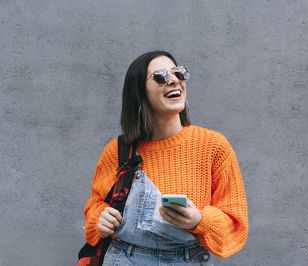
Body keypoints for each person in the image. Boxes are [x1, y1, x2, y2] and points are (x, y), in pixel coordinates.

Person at [83, 51, 248, 265]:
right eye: (160, 76)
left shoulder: (213, 147)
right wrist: (100, 219)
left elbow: (235, 224)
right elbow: (94, 208)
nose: (173, 80)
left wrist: (200, 220)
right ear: (140, 93)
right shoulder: (118, 151)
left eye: (178, 73)